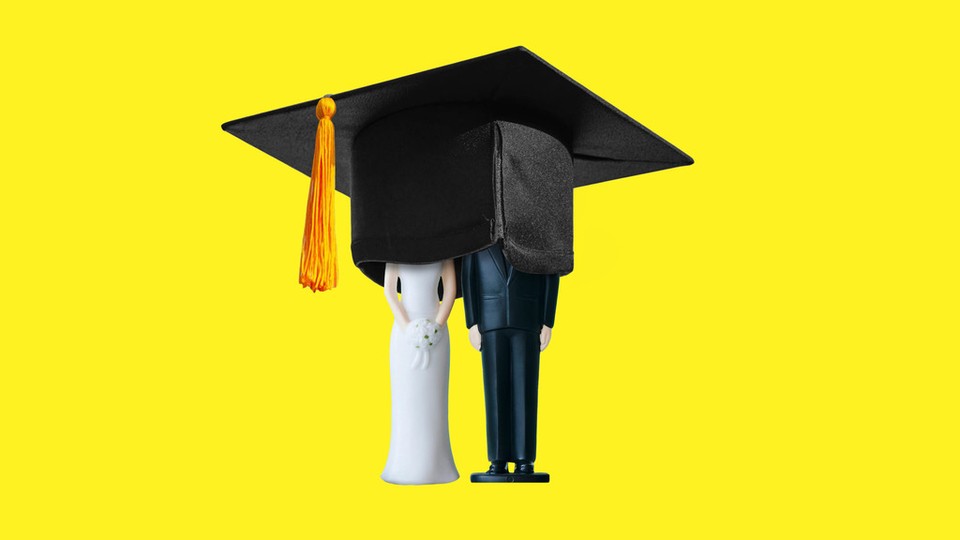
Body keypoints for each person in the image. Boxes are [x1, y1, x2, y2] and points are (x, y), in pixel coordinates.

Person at [462, 241, 559, 482]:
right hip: (490, 320)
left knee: (525, 391)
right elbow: (468, 276)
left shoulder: (534, 234)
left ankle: (525, 460)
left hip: (527, 319)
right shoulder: (478, 236)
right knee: (495, 391)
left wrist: (548, 320)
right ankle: (497, 459)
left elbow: (551, 270)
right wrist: (472, 322)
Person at [380, 260, 459, 485]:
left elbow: (450, 291)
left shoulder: (445, 253)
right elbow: (390, 292)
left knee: (433, 401)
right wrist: (409, 329)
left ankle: (437, 465)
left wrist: (436, 326)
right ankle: (402, 463)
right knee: (406, 400)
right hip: (403, 334)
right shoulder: (394, 251)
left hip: (438, 331)